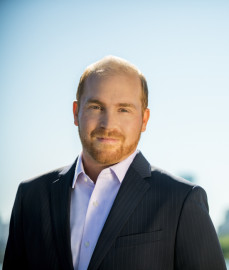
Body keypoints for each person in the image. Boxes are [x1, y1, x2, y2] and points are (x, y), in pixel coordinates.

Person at [3, 56, 226, 270]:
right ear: (75, 112)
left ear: (144, 120)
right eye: (96, 107)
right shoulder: (30, 197)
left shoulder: (181, 201)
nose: (108, 124)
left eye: (123, 109)